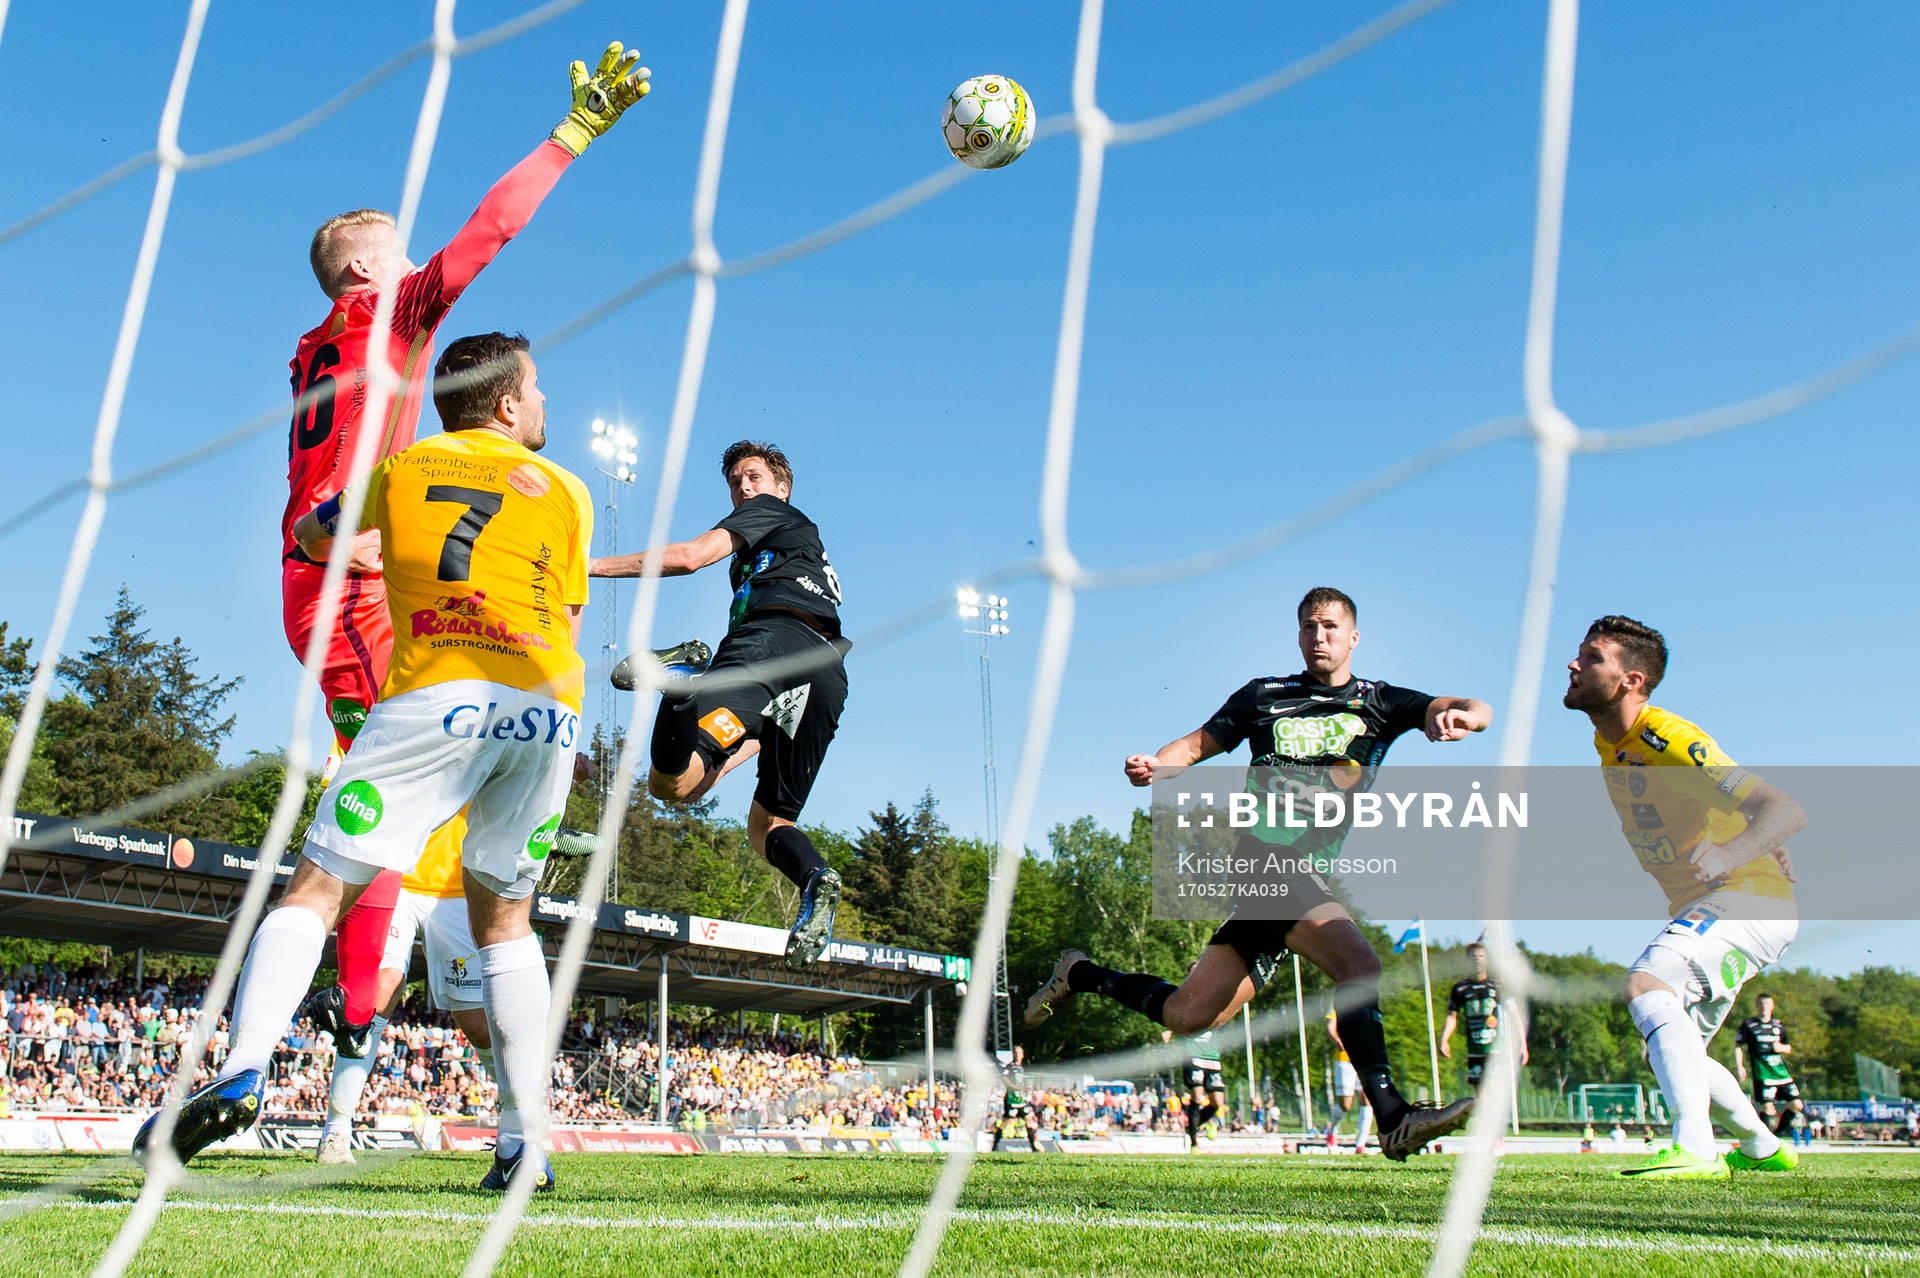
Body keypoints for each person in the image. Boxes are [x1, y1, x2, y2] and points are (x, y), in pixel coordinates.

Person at [137, 333, 593, 1194]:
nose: (544, 403)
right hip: (546, 714)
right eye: (536, 389)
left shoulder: (402, 467)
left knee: (315, 890)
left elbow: (312, 536)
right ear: (504, 404)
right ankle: (521, 1144)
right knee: (508, 925)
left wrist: (361, 545)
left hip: (434, 701)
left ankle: (242, 1067)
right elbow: (562, 612)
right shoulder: (569, 490)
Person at [278, 43, 649, 1057]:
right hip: (343, 583)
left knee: (420, 786)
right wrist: (573, 134)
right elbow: (490, 231)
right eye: (399, 254)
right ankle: (346, 1012)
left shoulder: (318, 347)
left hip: (352, 570)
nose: (416, 267)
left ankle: (376, 988)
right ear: (366, 270)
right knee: (366, 827)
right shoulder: (384, 318)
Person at [1022, 586, 1490, 1161]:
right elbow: (1193, 746)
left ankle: (1080, 973)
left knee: (1189, 1015)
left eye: (1330, 626)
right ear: (1298, 636)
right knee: (1359, 964)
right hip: (1262, 859)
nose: (1319, 636)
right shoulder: (1264, 696)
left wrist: (1467, 717)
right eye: (1309, 627)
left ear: (1353, 637)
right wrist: (1156, 766)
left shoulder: (1382, 702)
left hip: (1306, 877)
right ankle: (1392, 1117)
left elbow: (1466, 705)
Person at [1563, 614, 1804, 1179]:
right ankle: (1762, 1147)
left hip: (1747, 899)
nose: (1574, 664)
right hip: (1726, 905)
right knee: (1674, 1051)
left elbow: (1785, 809)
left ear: (1632, 680)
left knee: (1646, 985)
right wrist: (1751, 836)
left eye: (1592, 657)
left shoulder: (1667, 737)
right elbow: (1748, 810)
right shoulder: (1610, 737)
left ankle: (1694, 1145)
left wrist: (1735, 852)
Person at [593, 441, 850, 969]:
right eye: (735, 483)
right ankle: (816, 878)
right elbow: (763, 722)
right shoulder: (797, 549)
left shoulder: (772, 513)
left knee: (665, 783)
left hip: (770, 642)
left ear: (782, 487)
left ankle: (683, 681)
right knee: (764, 824)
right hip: (826, 670)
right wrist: (717, 767)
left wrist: (588, 566)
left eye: (753, 477)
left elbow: (688, 557)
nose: (743, 488)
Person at [312, 814, 504, 1166]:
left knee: (476, 1021)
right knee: (378, 990)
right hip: (392, 876)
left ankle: (518, 1122)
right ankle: (336, 1131)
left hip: (458, 887)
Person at [1440, 941, 1528, 1091]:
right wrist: (1444, 1040)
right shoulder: (1460, 988)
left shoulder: (1497, 985)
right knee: (1480, 1094)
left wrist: (1523, 1045)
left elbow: (1514, 1015)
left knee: (1495, 1091)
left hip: (1496, 1049)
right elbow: (1452, 1016)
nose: (1478, 960)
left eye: (1481, 956)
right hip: (1475, 1049)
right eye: (1474, 957)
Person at [1734, 993, 1804, 1138]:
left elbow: (1788, 1047)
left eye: (1767, 1004)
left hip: (1781, 1073)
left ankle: (1778, 1135)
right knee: (1767, 1107)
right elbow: (1738, 1046)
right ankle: (1763, 1138)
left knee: (1797, 1105)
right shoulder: (1749, 1025)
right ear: (1757, 1006)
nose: (1763, 1007)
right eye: (1760, 1004)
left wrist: (1780, 1048)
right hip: (1763, 1073)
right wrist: (1740, 1066)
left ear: (1772, 1006)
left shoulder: (1778, 1025)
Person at [1323, 1006, 1372, 1154]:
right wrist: (1337, 1040)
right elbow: (1330, 1027)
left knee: (1367, 1098)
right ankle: (1332, 1130)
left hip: (1364, 1059)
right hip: (1345, 1060)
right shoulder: (1337, 1006)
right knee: (1346, 1105)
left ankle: (1360, 1144)